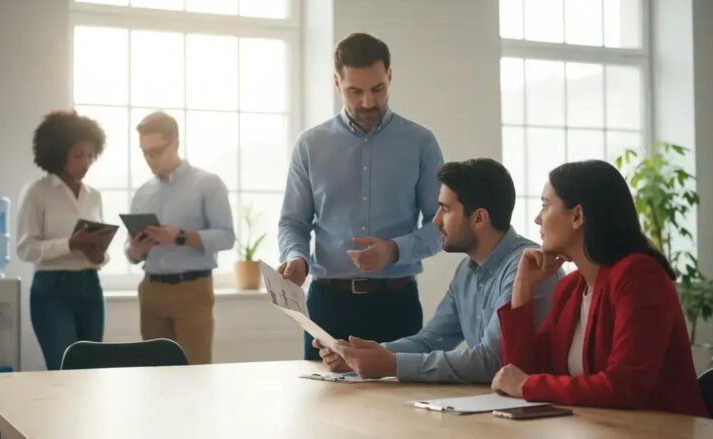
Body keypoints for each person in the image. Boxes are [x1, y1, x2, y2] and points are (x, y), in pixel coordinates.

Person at [491, 160, 708, 417]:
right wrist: (522, 284)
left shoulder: (639, 276)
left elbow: (625, 386)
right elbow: (523, 371)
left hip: (663, 431)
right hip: (600, 429)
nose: (537, 218)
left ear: (577, 216)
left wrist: (526, 384)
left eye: (545, 205)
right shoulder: (570, 288)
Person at [278, 33, 445, 360]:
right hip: (329, 307)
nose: (368, 102)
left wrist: (396, 250)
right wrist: (297, 256)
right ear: (337, 83)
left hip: (397, 305)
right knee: (322, 404)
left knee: (399, 410)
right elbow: (293, 221)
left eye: (377, 89)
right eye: (355, 91)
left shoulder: (421, 143)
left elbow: (443, 226)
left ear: (390, 77)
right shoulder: (310, 146)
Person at [316, 159, 560, 382]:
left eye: (446, 209)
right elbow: (431, 340)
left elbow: (493, 360)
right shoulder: (467, 270)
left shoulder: (528, 267)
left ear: (479, 218)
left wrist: (393, 365)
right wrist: (360, 355)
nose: (436, 221)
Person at [126, 111, 235, 365]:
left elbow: (227, 237)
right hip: (151, 291)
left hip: (192, 291)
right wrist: (135, 250)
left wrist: (182, 236)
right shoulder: (142, 193)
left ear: (175, 142)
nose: (149, 159)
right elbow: (131, 253)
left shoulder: (207, 184)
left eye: (156, 151)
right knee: (153, 375)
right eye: (144, 152)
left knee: (195, 374)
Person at [17, 110, 111, 370]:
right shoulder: (37, 192)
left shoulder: (94, 196)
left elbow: (100, 248)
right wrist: (71, 244)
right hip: (51, 291)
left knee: (91, 371)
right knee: (63, 370)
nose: (86, 162)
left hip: (91, 287)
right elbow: (25, 249)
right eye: (78, 155)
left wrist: (99, 255)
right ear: (58, 154)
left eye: (90, 155)